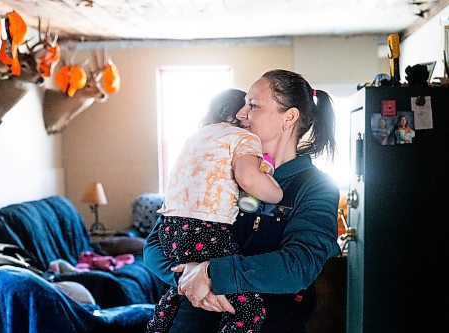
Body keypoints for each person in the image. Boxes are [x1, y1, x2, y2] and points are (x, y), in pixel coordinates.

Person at [144, 69, 341, 333]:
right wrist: (188, 277)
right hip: (191, 318)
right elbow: (155, 242)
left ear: (289, 117)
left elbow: (299, 265)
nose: (240, 114)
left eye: (254, 106)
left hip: (272, 323)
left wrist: (212, 274)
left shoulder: (315, 186)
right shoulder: (218, 161)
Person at [145, 89, 283, 333]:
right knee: (250, 310)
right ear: (241, 112)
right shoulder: (243, 138)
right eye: (252, 108)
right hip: (207, 232)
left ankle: (157, 326)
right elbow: (249, 177)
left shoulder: (195, 138)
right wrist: (275, 191)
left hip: (171, 230)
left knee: (180, 292)